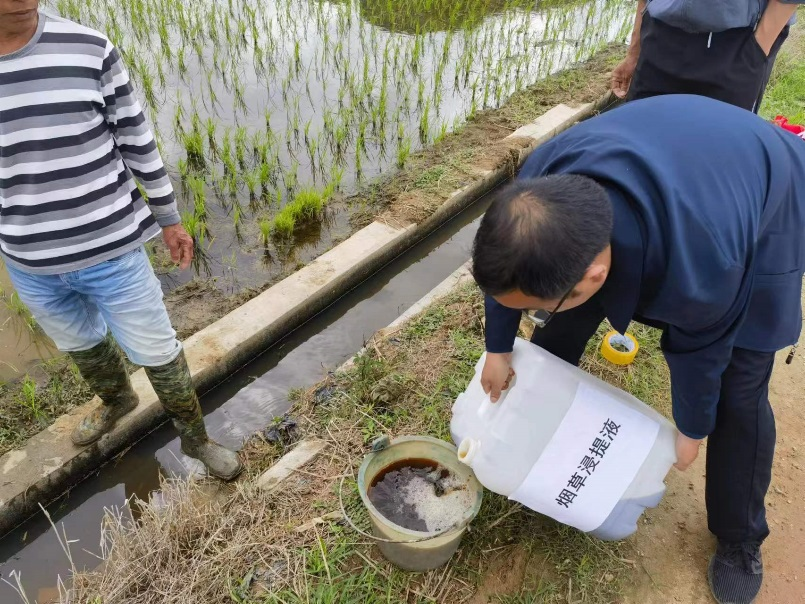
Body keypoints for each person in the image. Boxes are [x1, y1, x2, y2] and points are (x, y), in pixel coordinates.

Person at [472, 95, 804, 604]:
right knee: (554, 335)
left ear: (594, 277)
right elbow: (508, 278)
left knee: (739, 389)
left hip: (766, 201)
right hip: (672, 155)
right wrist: (499, 347)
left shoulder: (704, 264)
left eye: (533, 307)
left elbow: (704, 348)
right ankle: (539, 447)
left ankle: (740, 537)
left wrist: (692, 427)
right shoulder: (535, 191)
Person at [0, 2, 242, 479]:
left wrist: (169, 218)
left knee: (157, 348)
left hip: (111, 248)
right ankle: (117, 399)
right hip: (28, 261)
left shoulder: (89, 49)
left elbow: (137, 139)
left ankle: (196, 440)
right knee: (80, 341)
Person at [611, 0, 803, 111]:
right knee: (640, 142)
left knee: (715, 154)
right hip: (659, 33)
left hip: (737, 44)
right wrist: (634, 49)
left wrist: (758, 48)